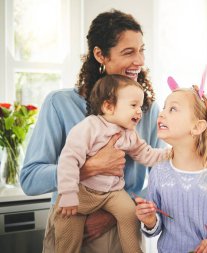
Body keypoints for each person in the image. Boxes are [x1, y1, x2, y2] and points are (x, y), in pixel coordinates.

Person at [20, 9, 166, 253]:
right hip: (70, 221)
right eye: (128, 52)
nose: (139, 61)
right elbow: (30, 179)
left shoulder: (147, 111)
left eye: (142, 50)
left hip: (121, 229)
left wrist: (115, 212)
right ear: (100, 54)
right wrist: (90, 167)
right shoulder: (60, 104)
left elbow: (160, 178)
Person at [54, 74, 169, 253]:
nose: (139, 111)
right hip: (83, 190)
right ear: (108, 106)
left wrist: (172, 153)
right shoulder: (89, 127)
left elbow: (147, 155)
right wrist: (68, 193)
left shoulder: (129, 133)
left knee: (130, 213)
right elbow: (69, 160)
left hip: (113, 192)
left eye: (140, 106)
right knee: (67, 221)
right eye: (133, 105)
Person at [135, 75, 207, 253]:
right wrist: (149, 220)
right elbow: (156, 225)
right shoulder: (159, 172)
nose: (162, 113)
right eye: (164, 108)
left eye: (173, 109)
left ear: (197, 127)